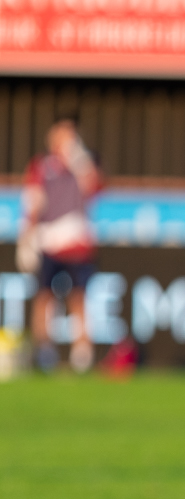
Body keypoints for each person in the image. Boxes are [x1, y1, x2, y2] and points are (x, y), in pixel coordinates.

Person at [19, 114, 102, 373]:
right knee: (44, 297)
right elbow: (33, 202)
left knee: (78, 297)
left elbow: (96, 187)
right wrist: (27, 238)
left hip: (77, 244)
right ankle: (43, 350)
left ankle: (82, 352)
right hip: (49, 242)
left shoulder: (83, 164)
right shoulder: (42, 166)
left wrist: (78, 160)